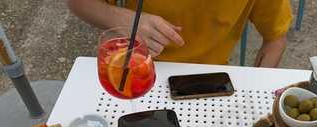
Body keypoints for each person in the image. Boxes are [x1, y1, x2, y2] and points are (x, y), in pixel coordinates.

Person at [67, 0, 292, 68]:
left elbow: (275, 40)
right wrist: (127, 20)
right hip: (134, 69)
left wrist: (251, 99)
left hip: (209, 80)